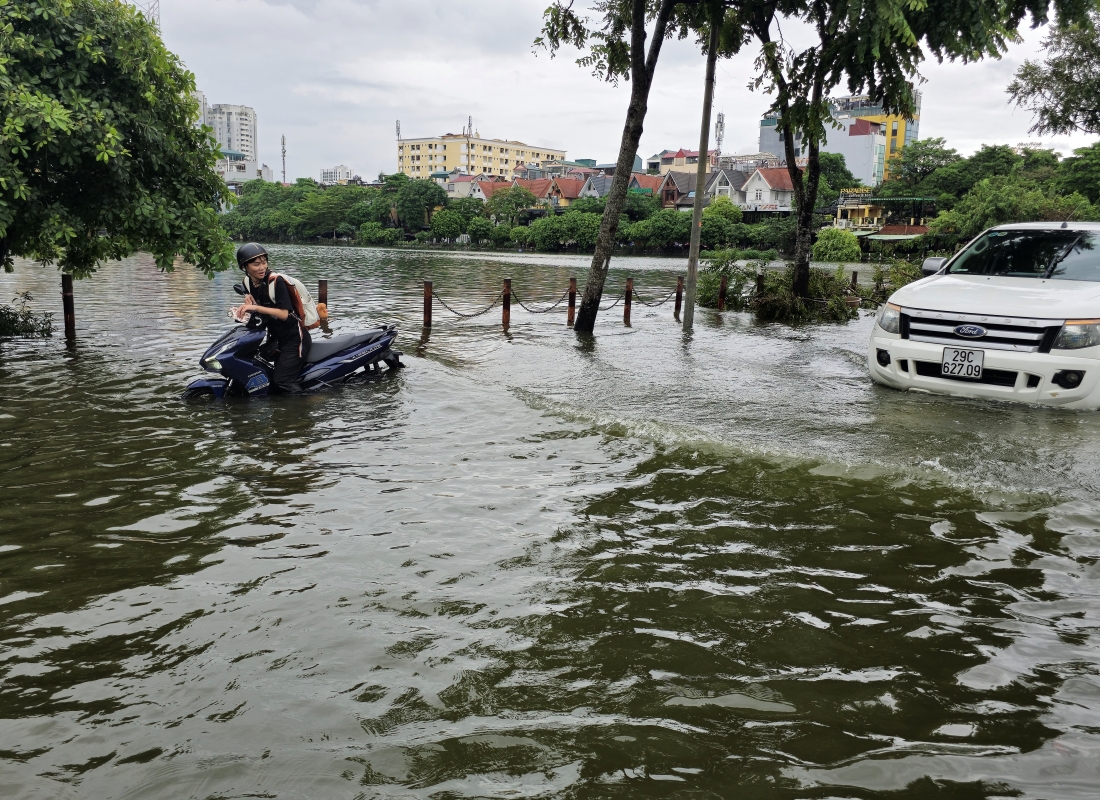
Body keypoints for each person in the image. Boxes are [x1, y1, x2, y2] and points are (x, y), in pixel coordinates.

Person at [234, 243, 311, 393]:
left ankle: (307, 402)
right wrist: (248, 306)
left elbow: (283, 314)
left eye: (264, 262)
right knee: (257, 366)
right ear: (245, 266)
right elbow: (263, 308)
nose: (262, 267)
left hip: (295, 339)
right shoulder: (248, 282)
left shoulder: (276, 282)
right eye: (256, 264)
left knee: (281, 381)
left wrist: (255, 307)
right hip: (275, 338)